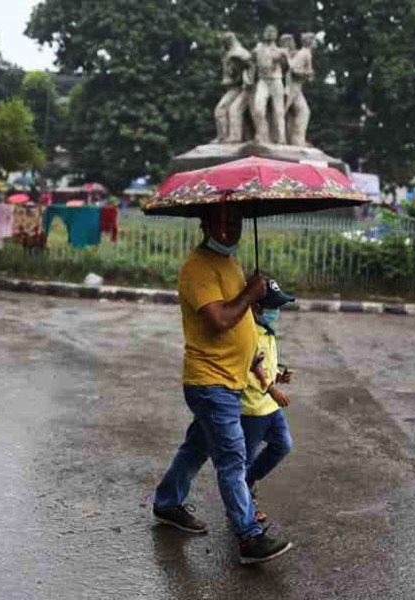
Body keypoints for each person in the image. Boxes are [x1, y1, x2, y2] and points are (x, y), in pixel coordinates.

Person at [152, 202, 293, 565]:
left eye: (236, 220)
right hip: (211, 380)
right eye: (221, 220)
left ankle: (167, 503)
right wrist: (249, 293)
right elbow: (219, 319)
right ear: (205, 222)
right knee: (232, 459)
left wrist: (253, 289)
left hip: (229, 379)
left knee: (197, 447)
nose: (229, 228)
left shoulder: (230, 261)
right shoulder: (197, 268)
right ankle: (249, 537)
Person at [242, 279, 296, 525]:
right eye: (272, 307)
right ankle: (244, 509)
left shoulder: (266, 331)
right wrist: (272, 387)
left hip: (270, 407)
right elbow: (252, 366)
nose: (277, 312)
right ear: (255, 307)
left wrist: (278, 377)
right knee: (245, 459)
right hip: (252, 408)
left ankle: (247, 482)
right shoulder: (247, 333)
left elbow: (265, 367)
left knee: (282, 445)